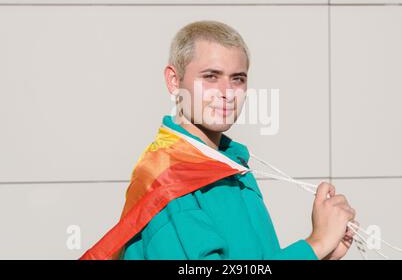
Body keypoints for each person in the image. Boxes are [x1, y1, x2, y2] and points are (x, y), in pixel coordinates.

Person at [80, 20, 357, 260]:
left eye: (237, 79)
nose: (227, 92)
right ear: (174, 81)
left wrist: (323, 254)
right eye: (210, 77)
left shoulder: (231, 164)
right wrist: (315, 244)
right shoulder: (167, 176)